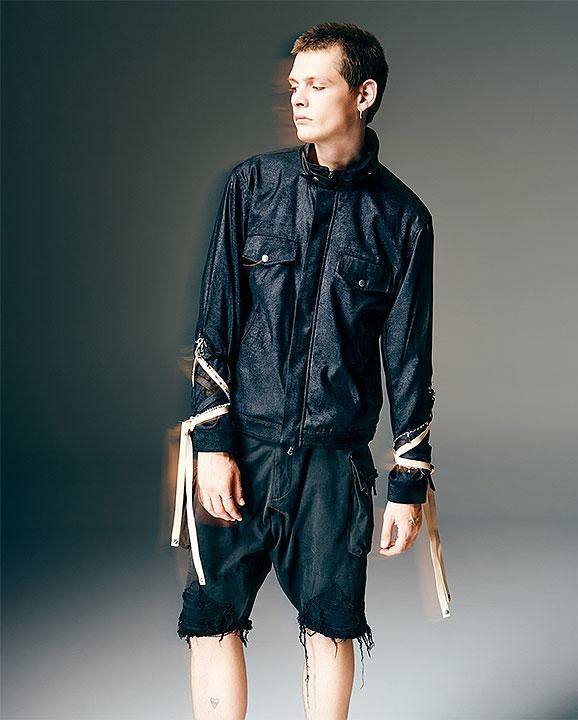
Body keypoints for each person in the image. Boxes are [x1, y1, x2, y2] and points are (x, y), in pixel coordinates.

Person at [170, 21, 451, 720]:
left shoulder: (403, 220)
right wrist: (212, 445)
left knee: (330, 624)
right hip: (242, 447)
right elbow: (215, 323)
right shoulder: (252, 187)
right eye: (294, 85)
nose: (297, 98)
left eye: (316, 85)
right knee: (212, 617)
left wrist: (408, 482)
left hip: (333, 464)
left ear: (364, 94)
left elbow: (409, 358)